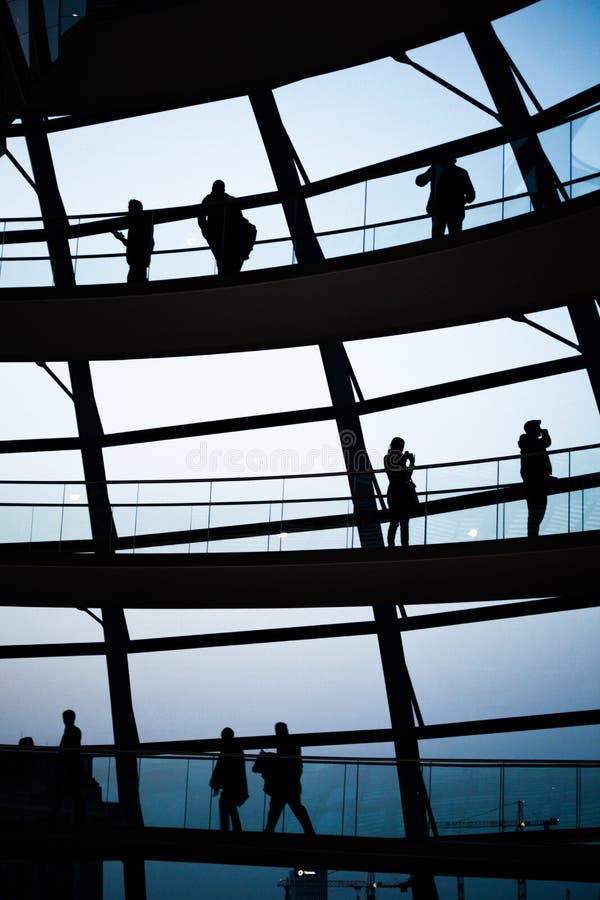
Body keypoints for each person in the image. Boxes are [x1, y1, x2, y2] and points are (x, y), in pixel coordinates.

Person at [261, 722, 314, 835]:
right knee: (296, 808)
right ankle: (309, 832)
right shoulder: (293, 743)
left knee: (275, 808)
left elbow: (284, 762)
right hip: (291, 784)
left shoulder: (282, 743)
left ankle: (268, 830)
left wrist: (270, 757)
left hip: (282, 784)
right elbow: (295, 764)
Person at [197, 179, 256, 275]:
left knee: (251, 230)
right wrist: (208, 231)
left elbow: (201, 219)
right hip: (217, 232)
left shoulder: (222, 198)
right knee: (223, 259)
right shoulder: (210, 199)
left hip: (229, 231)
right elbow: (201, 220)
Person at [415, 157, 475, 238]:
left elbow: (420, 182)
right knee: (454, 239)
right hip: (452, 212)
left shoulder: (437, 170)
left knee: (438, 240)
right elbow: (471, 196)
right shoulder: (461, 172)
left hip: (440, 211)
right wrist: (460, 202)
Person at [48, 709, 85, 824]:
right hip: (73, 766)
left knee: (64, 793)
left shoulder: (70, 731)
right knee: (75, 794)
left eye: (65, 718)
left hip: (70, 767)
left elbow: (65, 748)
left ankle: (58, 817)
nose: (63, 720)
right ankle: (76, 818)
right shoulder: (75, 730)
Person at [209, 726, 248, 832]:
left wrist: (215, 781)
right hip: (235, 784)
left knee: (226, 803)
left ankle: (228, 828)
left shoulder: (227, 749)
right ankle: (232, 828)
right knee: (229, 805)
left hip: (230, 784)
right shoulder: (237, 749)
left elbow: (220, 766)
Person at [518, 419, 553, 538]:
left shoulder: (528, 442)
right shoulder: (529, 441)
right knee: (537, 510)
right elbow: (546, 443)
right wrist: (546, 433)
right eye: (538, 427)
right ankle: (532, 537)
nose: (540, 429)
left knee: (536, 511)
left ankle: (532, 536)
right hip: (536, 480)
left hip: (537, 479)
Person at [384, 436, 418, 547]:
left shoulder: (387, 457)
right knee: (402, 522)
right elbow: (403, 474)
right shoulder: (390, 458)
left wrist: (410, 462)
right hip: (402, 492)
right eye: (401, 446)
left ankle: (392, 545)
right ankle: (404, 546)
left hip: (394, 491)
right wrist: (410, 462)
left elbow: (397, 472)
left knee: (395, 521)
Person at [112, 198, 154, 283]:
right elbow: (137, 244)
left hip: (137, 263)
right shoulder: (145, 224)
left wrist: (121, 238)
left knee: (134, 284)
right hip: (140, 263)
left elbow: (134, 245)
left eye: (129, 208)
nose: (128, 211)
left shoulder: (139, 225)